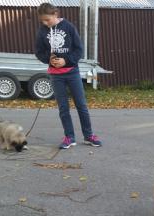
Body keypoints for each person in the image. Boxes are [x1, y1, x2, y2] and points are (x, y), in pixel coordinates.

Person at [35, 2, 102, 149]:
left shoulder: (69, 27)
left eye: (48, 19)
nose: (45, 23)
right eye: (43, 21)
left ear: (55, 14)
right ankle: (69, 137)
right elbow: (39, 52)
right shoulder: (42, 31)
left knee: (81, 105)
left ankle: (89, 135)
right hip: (55, 76)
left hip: (72, 72)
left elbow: (79, 50)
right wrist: (49, 59)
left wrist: (66, 60)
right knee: (63, 108)